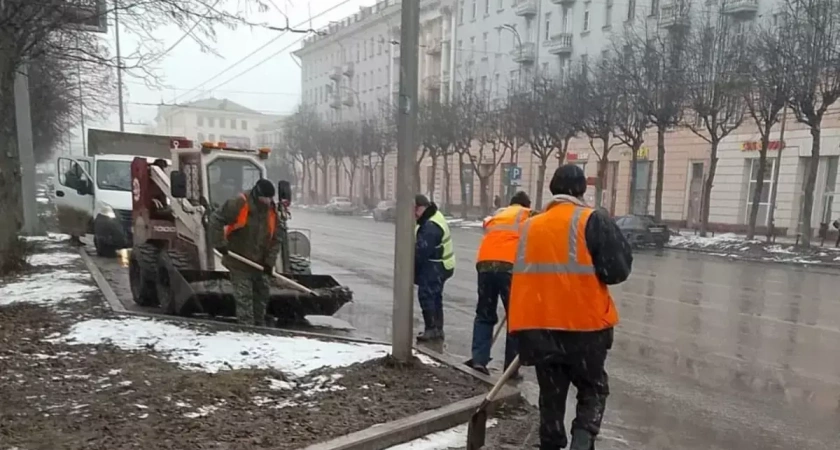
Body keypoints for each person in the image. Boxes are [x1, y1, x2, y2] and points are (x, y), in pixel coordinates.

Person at [508, 164, 633, 450]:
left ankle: (550, 444)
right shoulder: (592, 220)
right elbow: (617, 271)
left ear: (553, 189)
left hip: (538, 328)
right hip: (584, 329)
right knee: (593, 389)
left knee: (550, 397)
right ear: (581, 190)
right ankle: (581, 440)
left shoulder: (530, 225)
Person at [468, 191, 533, 377]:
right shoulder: (527, 215)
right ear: (526, 205)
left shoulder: (498, 216)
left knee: (484, 314)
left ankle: (479, 360)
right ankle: (510, 368)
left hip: (485, 265)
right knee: (515, 319)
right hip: (509, 267)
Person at [209, 179, 282, 327]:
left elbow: (276, 239)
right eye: (265, 198)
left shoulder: (272, 211)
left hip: (260, 264)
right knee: (245, 298)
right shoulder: (239, 203)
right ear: (257, 194)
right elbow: (215, 219)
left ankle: (259, 327)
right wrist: (219, 243)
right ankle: (247, 330)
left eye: (270, 198)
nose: (268, 201)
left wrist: (269, 262)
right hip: (239, 261)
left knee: (261, 296)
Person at [414, 194, 455, 342]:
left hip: (435, 265)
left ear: (421, 207)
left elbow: (422, 251)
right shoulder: (434, 217)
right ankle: (437, 329)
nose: (414, 215)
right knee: (436, 297)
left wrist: (410, 270)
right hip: (442, 265)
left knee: (427, 296)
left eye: (415, 210)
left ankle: (431, 329)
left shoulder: (430, 226)